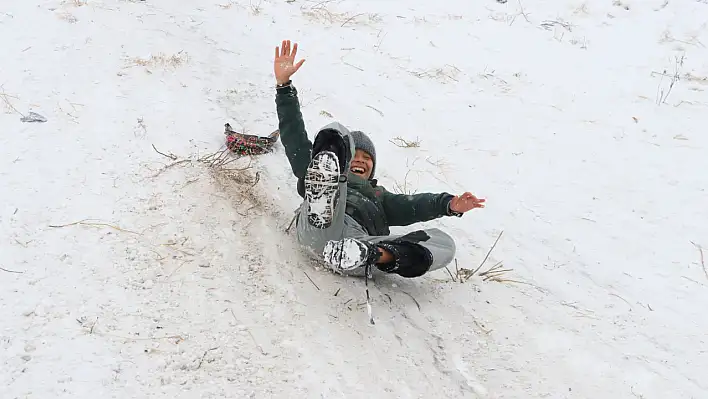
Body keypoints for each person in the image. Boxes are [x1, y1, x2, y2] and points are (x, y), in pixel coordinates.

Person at [273, 40, 486, 279]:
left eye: (367, 158)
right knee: (336, 132)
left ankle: (374, 254)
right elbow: (295, 139)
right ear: (344, 159)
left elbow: (414, 205)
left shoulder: (379, 197)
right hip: (320, 227)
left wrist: (449, 205)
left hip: (359, 244)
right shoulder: (318, 172)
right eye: (355, 155)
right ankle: (324, 197)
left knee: (443, 242)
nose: (361, 160)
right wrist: (284, 87)